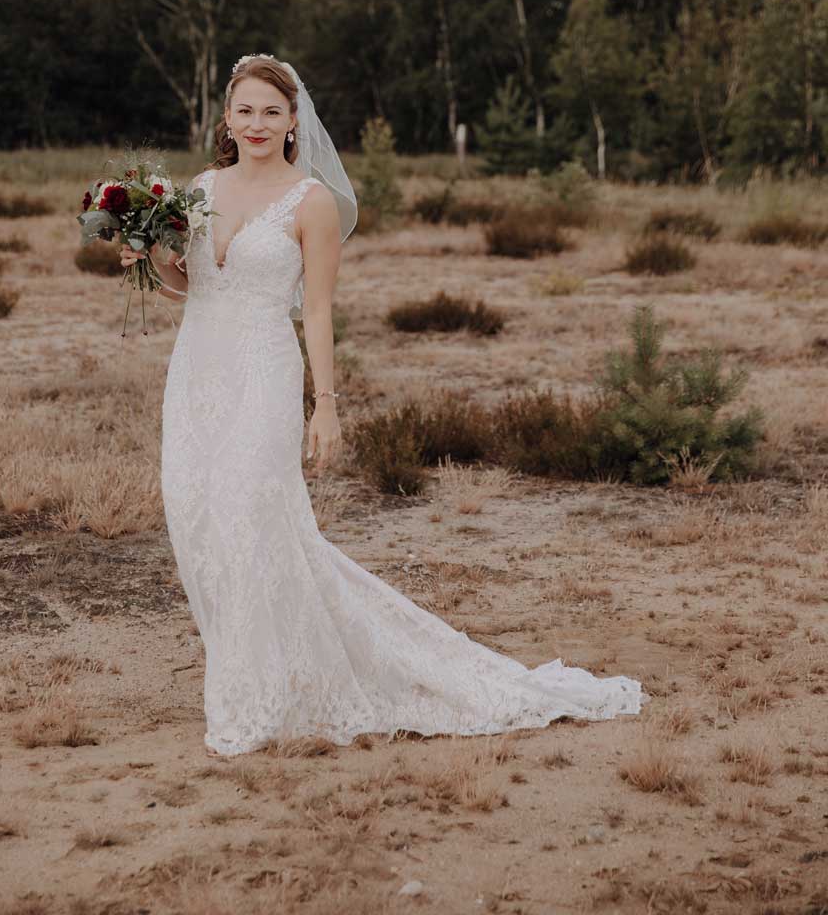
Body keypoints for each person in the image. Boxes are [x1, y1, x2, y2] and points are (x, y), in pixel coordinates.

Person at [122, 53, 649, 758]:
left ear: (292, 122)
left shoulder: (311, 202)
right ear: (226, 118)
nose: (256, 123)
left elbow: (316, 312)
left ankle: (251, 700)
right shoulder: (200, 188)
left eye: (271, 112)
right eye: (244, 110)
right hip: (195, 374)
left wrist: (327, 404)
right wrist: (144, 254)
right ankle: (256, 671)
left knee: (255, 520)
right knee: (202, 524)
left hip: (262, 372)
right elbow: (189, 286)